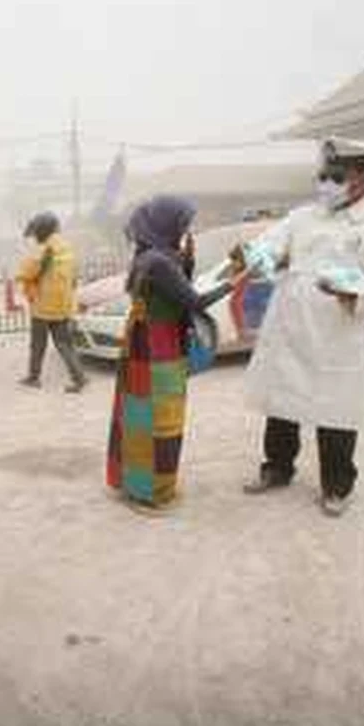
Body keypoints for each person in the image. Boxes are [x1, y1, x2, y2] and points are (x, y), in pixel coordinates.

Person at [241, 137, 364, 517]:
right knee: (282, 403)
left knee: (336, 411)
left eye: (336, 176)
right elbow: (270, 244)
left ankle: (337, 485)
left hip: (340, 332)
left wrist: (354, 291)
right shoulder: (304, 216)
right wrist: (259, 256)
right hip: (292, 327)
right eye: (322, 176)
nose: (326, 185)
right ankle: (277, 468)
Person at [106, 196, 242, 510]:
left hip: (142, 343)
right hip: (159, 346)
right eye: (183, 223)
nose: (186, 229)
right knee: (159, 419)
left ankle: (135, 483)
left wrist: (188, 260)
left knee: (138, 416)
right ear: (167, 224)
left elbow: (176, 291)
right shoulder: (160, 262)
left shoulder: (149, 255)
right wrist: (234, 282)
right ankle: (150, 492)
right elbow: (194, 302)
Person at [16, 212, 87, 393]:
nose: (34, 236)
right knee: (64, 344)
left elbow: (26, 273)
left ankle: (34, 378)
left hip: (42, 306)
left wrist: (26, 282)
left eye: (35, 232)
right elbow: (74, 276)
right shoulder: (67, 248)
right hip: (63, 305)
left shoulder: (42, 250)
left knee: (38, 345)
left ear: (42, 230)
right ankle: (79, 378)